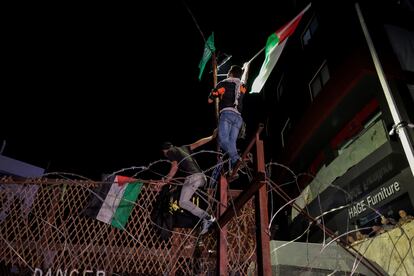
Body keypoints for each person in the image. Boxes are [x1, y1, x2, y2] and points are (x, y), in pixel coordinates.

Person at [159, 130, 217, 235]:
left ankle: (207, 217)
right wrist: (212, 137)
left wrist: (165, 181)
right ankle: (204, 219)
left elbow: (174, 167)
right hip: (202, 178)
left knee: (183, 202)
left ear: (165, 150)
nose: (166, 156)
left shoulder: (171, 151)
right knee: (184, 191)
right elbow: (198, 143)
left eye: (164, 154)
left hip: (193, 178)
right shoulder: (184, 148)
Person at [208, 62, 250, 174]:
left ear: (230, 73)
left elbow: (210, 100)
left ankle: (237, 159)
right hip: (238, 118)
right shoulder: (242, 86)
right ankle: (234, 169)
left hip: (227, 115)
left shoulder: (224, 84)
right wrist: (247, 68)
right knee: (231, 143)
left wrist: (214, 92)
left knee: (222, 141)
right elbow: (245, 80)